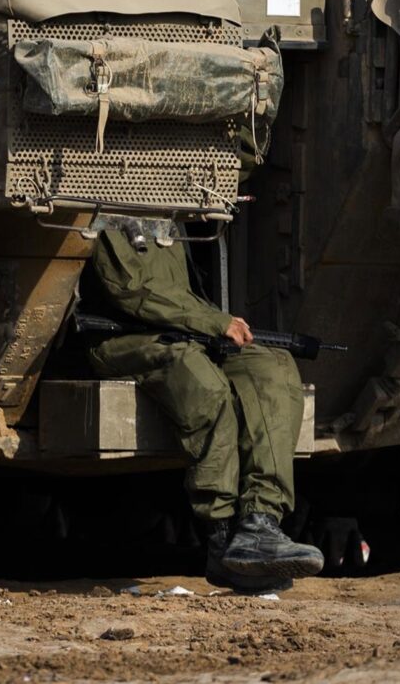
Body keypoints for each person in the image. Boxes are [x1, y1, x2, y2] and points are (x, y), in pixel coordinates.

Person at [82, 225, 324, 593]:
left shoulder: (174, 212)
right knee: (205, 385)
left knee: (272, 366)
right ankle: (221, 538)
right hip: (122, 337)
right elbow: (129, 290)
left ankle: (260, 524)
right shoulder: (111, 211)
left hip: (187, 331)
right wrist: (213, 321)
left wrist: (210, 325)